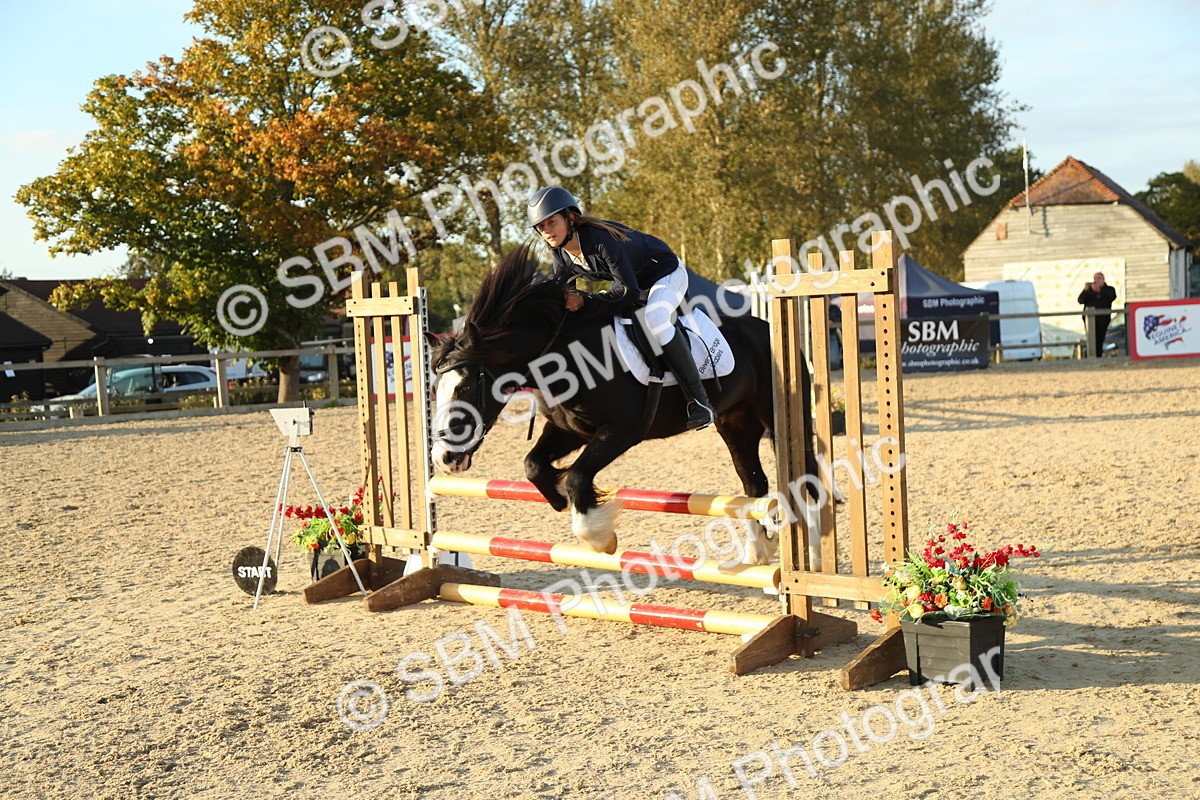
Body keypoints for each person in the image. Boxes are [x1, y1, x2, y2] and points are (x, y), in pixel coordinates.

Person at [527, 185, 715, 430]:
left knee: (656, 317)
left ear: (570, 217)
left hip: (663, 274)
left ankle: (700, 401)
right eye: (541, 227)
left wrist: (586, 300)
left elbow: (628, 292)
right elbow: (565, 294)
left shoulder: (601, 240)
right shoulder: (561, 253)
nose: (547, 231)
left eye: (551, 222)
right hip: (634, 285)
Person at [1077, 272, 1117, 358]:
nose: (1096, 280)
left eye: (1099, 278)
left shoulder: (1109, 289)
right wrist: (1085, 290)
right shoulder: (1090, 290)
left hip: (1103, 320)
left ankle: (1099, 356)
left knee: (1100, 339)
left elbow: (1112, 297)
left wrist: (1100, 291)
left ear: (1103, 279)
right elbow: (1080, 300)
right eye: (1095, 278)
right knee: (1091, 340)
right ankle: (1090, 356)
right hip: (1090, 320)